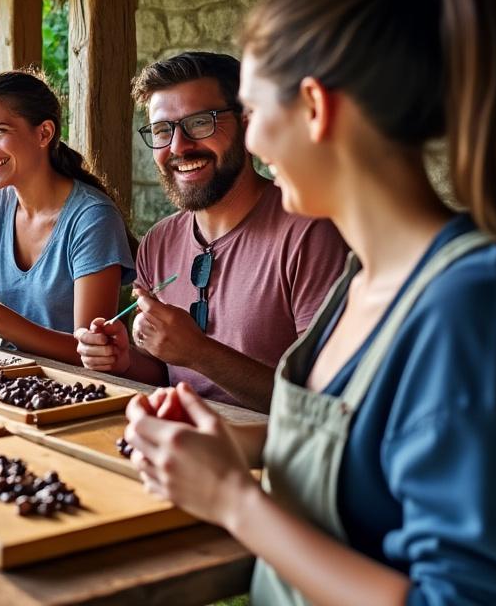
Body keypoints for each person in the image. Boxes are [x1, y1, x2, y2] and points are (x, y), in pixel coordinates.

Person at [124, 0, 496, 603]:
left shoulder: (474, 308)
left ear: (315, 108)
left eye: (253, 113)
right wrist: (240, 448)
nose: (254, 142)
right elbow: (365, 441)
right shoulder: (363, 281)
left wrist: (233, 501)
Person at [75, 52, 347, 411]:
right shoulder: (158, 242)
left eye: (201, 123)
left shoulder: (310, 233)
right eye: (162, 130)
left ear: (247, 125)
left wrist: (199, 352)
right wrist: (123, 361)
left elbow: (321, 404)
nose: (178, 146)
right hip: (175, 436)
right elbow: (164, 373)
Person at [0, 70, 135, 363]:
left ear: (44, 133)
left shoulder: (92, 219)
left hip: (76, 383)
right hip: (13, 374)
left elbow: (90, 354)